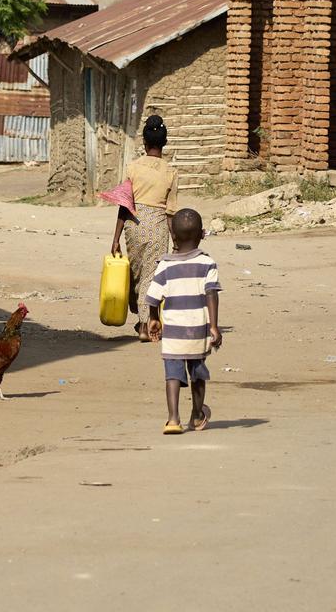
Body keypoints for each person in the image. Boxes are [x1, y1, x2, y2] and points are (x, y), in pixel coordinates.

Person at [146, 208, 222, 435]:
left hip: (173, 334)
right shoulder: (207, 263)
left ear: (173, 237)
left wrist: (153, 319)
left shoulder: (165, 265)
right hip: (198, 330)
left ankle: (173, 419)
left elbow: (152, 297)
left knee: (172, 375)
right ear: (201, 235)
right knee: (197, 373)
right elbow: (212, 294)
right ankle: (197, 415)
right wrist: (214, 326)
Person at [111, 114, 179, 342]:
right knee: (152, 275)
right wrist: (177, 242)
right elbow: (171, 212)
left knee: (138, 273)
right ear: (164, 142)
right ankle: (144, 324)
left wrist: (116, 238)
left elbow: (124, 204)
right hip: (158, 225)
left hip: (134, 225)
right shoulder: (170, 172)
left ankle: (142, 323)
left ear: (144, 142)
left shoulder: (133, 167)